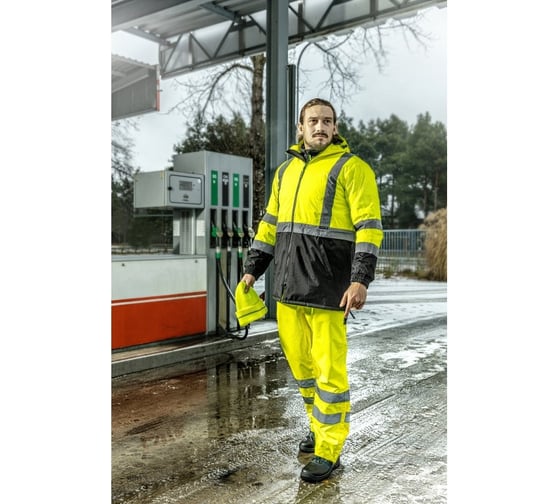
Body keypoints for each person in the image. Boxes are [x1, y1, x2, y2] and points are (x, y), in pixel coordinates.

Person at [241, 97, 383, 483]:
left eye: (327, 121)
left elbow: (369, 228)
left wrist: (360, 279)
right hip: (288, 291)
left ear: (335, 128)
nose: (320, 126)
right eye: (313, 121)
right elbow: (269, 226)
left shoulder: (353, 168)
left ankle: (329, 449)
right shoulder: (285, 172)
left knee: (329, 373)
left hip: (328, 291)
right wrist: (253, 270)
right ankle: (316, 428)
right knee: (303, 372)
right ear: (300, 128)